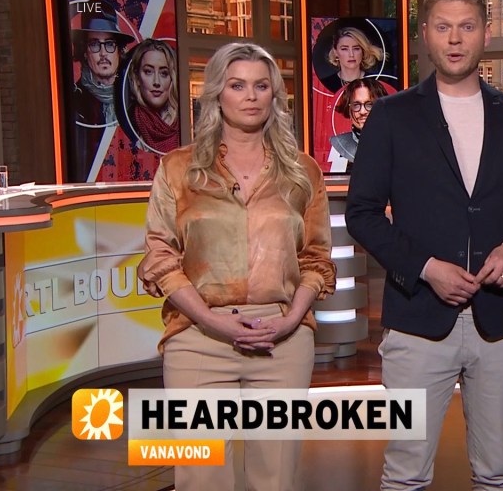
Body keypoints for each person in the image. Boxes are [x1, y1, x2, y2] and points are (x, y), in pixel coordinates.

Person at [346, 0, 503, 491]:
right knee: (405, 476)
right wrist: (425, 267)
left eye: (466, 27)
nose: (454, 39)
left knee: (498, 475)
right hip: (416, 322)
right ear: (425, 34)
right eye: (443, 27)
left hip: (499, 324)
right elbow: (362, 213)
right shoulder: (391, 116)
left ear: (486, 34)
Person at [138, 42, 335, 490]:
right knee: (200, 478)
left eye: (261, 86)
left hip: (281, 338)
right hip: (198, 336)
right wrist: (211, 321)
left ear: (274, 95)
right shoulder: (178, 168)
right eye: (237, 85)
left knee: (275, 478)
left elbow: (316, 259)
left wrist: (291, 319)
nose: (250, 96)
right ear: (217, 94)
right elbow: (161, 258)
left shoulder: (303, 171)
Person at [69, 0, 134, 181]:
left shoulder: (134, 100)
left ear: (119, 51)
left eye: (110, 44)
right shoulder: (74, 103)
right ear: (84, 51)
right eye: (95, 44)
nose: (103, 53)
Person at [124, 38, 180, 155]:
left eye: (164, 73)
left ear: (172, 78)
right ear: (137, 78)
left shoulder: (185, 123)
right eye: (148, 71)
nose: (156, 82)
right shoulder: (126, 124)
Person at [328, 77, 389, 165]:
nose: (362, 111)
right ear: (348, 109)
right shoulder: (336, 144)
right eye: (356, 105)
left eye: (369, 105)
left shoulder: (397, 144)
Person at [323, 26, 386, 92]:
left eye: (356, 48)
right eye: (344, 49)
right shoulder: (326, 84)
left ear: (363, 51)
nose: (351, 54)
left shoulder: (377, 83)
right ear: (336, 52)